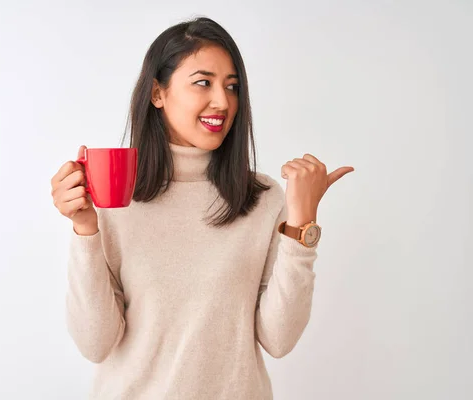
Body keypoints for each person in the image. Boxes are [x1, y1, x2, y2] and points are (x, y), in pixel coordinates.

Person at [50, 16, 353, 400]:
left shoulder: (262, 198)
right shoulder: (114, 199)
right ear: (157, 93)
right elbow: (95, 344)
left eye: (232, 87)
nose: (223, 102)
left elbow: (278, 340)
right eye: (203, 83)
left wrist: (302, 226)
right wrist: (84, 228)